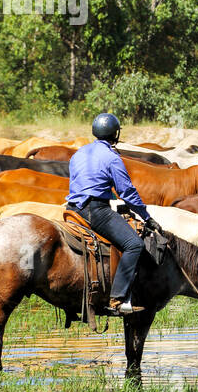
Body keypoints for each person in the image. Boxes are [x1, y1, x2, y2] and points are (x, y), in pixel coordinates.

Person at [65, 113, 161, 315]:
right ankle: (117, 298)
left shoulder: (78, 153)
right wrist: (146, 217)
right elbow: (126, 192)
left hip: (72, 208)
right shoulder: (112, 157)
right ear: (114, 134)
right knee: (134, 244)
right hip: (95, 210)